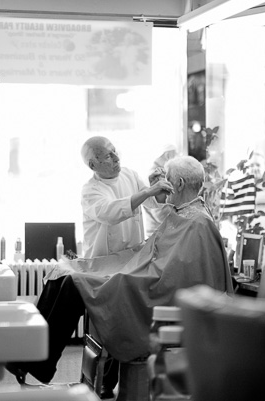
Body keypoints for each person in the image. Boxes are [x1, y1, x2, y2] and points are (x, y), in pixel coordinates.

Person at [5, 156, 234, 388]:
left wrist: (129, 271)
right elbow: (157, 249)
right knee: (62, 273)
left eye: (168, 178)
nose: (164, 182)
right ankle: (27, 355)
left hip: (153, 290)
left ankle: (38, 363)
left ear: (181, 184)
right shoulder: (183, 211)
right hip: (141, 270)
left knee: (74, 284)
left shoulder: (198, 223)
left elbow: (174, 277)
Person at [78, 136, 174, 397]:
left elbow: (156, 205)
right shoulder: (91, 190)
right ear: (93, 165)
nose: (117, 158)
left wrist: (160, 187)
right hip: (102, 265)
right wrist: (147, 192)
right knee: (105, 324)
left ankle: (117, 377)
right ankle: (101, 382)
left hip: (131, 262)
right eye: (108, 156)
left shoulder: (130, 175)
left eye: (115, 151)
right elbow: (111, 212)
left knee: (126, 320)